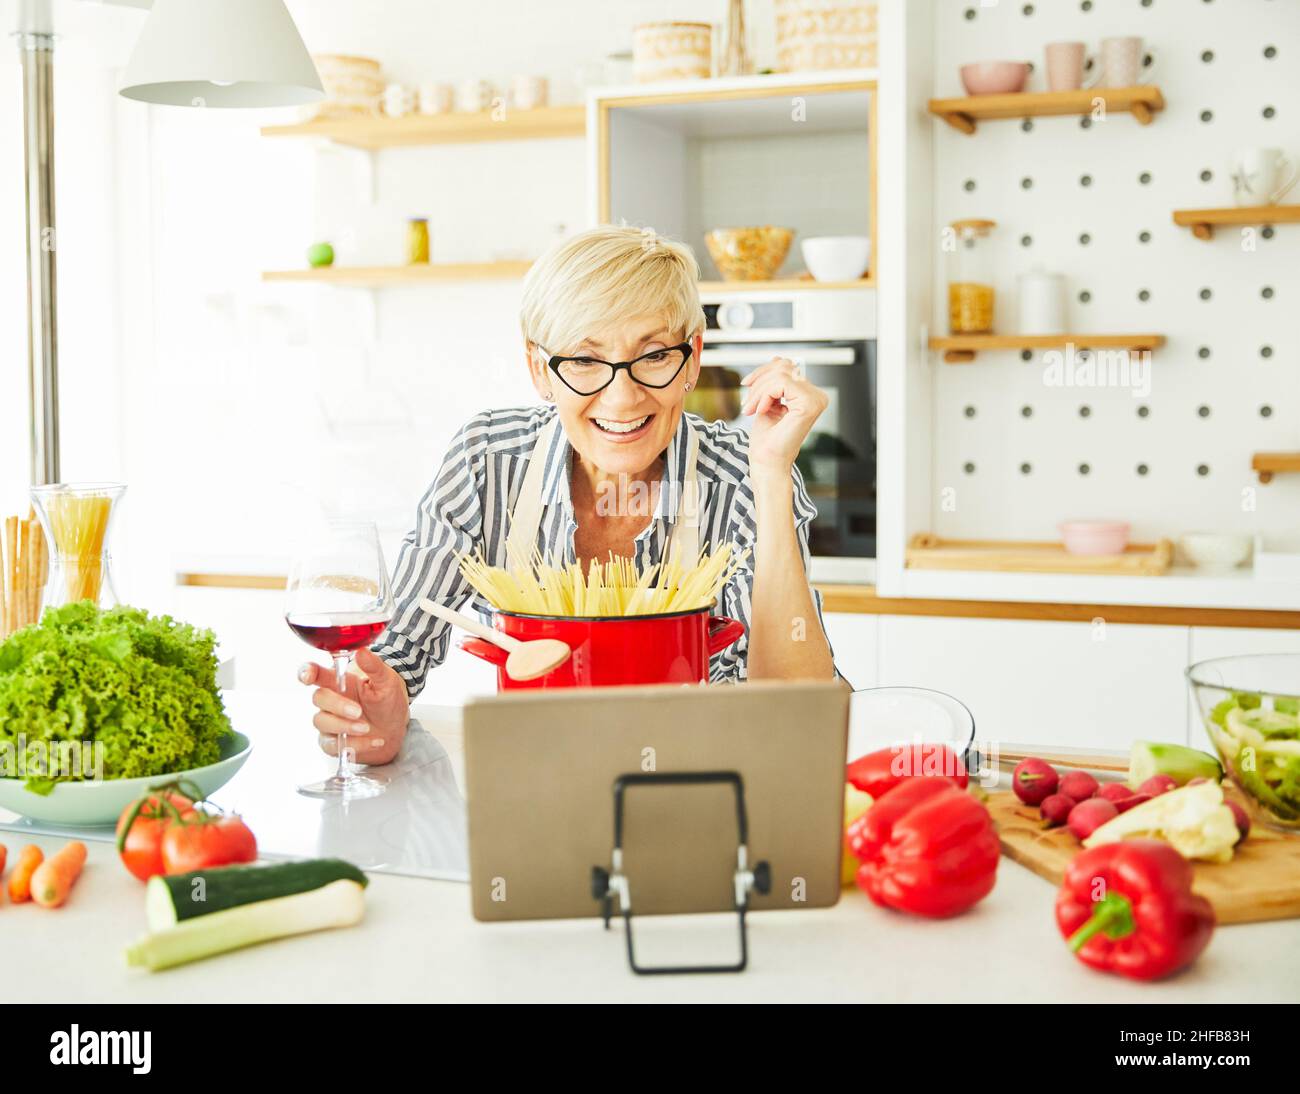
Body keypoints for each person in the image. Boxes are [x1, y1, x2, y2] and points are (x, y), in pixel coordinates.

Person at [298, 225, 838, 764]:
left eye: (653, 356)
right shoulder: (488, 460)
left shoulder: (745, 473)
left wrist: (770, 473)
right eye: (584, 360)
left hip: (700, 785)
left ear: (692, 358)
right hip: (535, 786)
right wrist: (377, 708)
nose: (622, 398)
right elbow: (400, 649)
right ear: (540, 370)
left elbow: (799, 718)